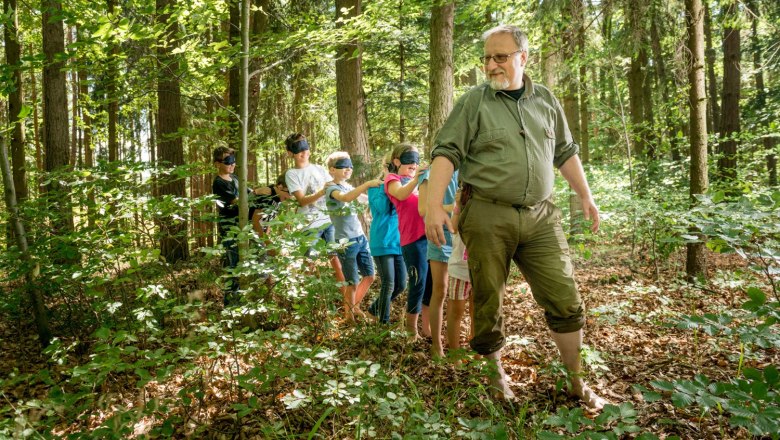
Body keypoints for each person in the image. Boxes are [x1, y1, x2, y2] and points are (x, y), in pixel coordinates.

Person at [424, 24, 607, 409]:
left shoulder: (545, 100)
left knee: (565, 297)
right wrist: (431, 206)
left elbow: (565, 152)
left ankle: (576, 380)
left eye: (501, 56)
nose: (492, 65)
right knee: (488, 299)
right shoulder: (474, 102)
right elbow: (446, 153)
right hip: (486, 213)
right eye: (487, 58)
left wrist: (586, 197)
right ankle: (496, 378)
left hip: (541, 216)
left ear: (523, 58)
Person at [283, 133, 347, 291]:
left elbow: (335, 187)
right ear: (291, 153)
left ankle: (348, 301)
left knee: (337, 261)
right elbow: (301, 200)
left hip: (328, 220)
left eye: (305, 148)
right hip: (308, 224)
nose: (304, 153)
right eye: (299, 150)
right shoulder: (291, 174)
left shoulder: (319, 169)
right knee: (309, 264)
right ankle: (311, 302)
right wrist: (320, 192)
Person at [323, 151, 382, 323]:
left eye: (350, 166)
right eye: (343, 166)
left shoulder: (348, 186)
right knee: (352, 282)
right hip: (346, 241)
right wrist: (367, 184)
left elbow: (364, 199)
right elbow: (346, 198)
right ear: (332, 169)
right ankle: (349, 316)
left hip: (360, 238)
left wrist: (381, 193)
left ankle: (353, 307)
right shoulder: (332, 189)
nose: (348, 169)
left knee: (370, 276)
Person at [212, 146, 273, 303]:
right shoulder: (219, 183)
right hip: (230, 229)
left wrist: (266, 191)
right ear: (217, 163)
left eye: (233, 161)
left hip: (244, 227)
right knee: (233, 264)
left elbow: (250, 194)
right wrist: (256, 195)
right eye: (228, 161)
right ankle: (230, 304)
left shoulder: (236, 179)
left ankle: (248, 299)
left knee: (250, 260)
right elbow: (238, 201)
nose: (232, 164)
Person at [385, 143, 431, 339]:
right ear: (397, 161)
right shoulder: (392, 179)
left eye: (416, 161)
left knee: (430, 284)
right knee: (418, 282)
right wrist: (417, 179)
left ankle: (427, 328)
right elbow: (401, 194)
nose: (413, 164)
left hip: (429, 236)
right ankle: (411, 328)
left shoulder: (421, 181)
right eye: (409, 161)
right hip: (411, 239)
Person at [418, 167, 459, 358]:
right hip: (439, 236)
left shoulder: (469, 168)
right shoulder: (430, 173)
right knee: (440, 290)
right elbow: (423, 210)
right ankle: (437, 345)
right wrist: (455, 206)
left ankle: (457, 346)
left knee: (460, 295)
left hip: (463, 236)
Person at [367, 154, 407, 324]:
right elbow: (382, 208)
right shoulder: (376, 187)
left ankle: (374, 309)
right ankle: (384, 323)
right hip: (382, 241)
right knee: (388, 283)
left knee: (401, 285)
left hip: (399, 242)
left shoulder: (403, 186)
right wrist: (387, 186)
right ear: (385, 168)